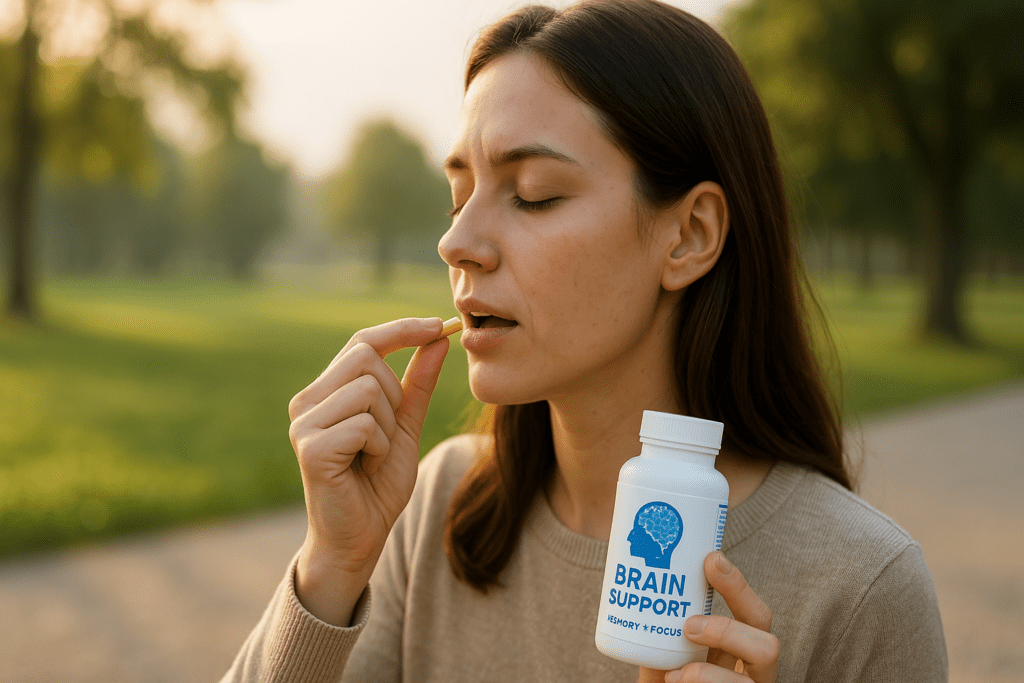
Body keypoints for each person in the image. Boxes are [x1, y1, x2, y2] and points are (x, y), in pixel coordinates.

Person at [222, 1, 947, 681]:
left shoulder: (862, 586)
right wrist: (331, 567)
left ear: (690, 235)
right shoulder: (436, 504)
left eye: (534, 193)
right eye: (458, 195)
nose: (457, 241)